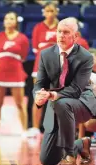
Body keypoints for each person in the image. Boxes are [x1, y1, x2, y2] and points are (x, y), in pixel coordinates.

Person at [33, 17, 96, 165]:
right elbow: (40, 84)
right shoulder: (45, 54)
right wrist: (38, 95)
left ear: (76, 36)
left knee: (62, 103)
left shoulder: (85, 57)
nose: (61, 35)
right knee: (47, 160)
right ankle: (81, 144)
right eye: (59, 31)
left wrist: (52, 95)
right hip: (55, 104)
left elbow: (75, 89)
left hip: (81, 101)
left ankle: (70, 154)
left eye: (66, 32)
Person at [0, 11, 29, 137]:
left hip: (16, 72)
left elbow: (23, 56)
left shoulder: (22, 38)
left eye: (11, 18)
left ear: (16, 22)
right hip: (0, 72)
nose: (8, 21)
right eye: (6, 18)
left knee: (19, 103)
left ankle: (24, 131)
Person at [30, 2, 59, 137]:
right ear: (43, 12)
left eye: (52, 11)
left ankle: (55, 127)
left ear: (56, 12)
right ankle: (35, 128)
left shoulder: (61, 27)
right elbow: (36, 48)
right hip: (40, 65)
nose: (49, 14)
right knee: (39, 95)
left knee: (57, 96)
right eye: (47, 11)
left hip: (57, 64)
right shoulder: (37, 27)